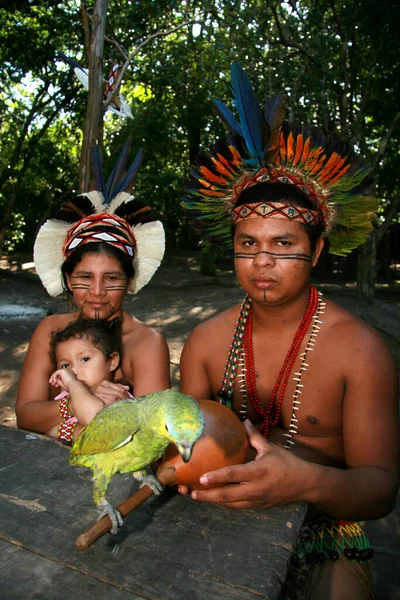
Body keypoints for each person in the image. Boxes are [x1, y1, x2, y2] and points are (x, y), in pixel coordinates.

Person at [180, 63, 399, 598]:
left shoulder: (362, 352)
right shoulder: (206, 343)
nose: (262, 261)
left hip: (327, 526)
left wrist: (306, 482)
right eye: (249, 243)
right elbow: (183, 450)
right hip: (222, 510)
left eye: (282, 244)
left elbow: (380, 491)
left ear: (317, 250)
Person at [16, 141, 170, 443]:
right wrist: (77, 398)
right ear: (68, 279)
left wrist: (64, 413)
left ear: (129, 279)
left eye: (111, 278)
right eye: (85, 277)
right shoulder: (50, 330)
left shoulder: (147, 344)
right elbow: (25, 415)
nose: (97, 292)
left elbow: (153, 432)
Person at [46, 318, 128, 444]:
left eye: (84, 359)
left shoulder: (114, 395)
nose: (74, 371)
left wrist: (74, 383)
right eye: (65, 366)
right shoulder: (65, 397)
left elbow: (94, 420)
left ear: (112, 361)